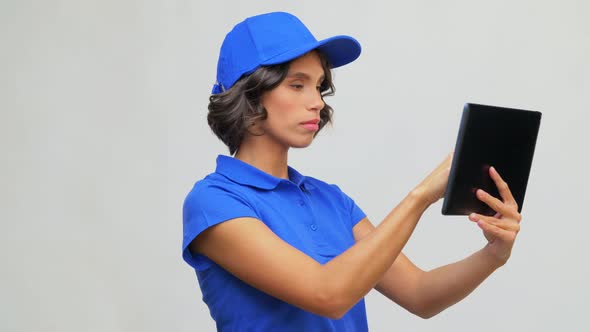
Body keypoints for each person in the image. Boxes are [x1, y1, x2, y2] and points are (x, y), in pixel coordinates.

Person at [182, 11, 522, 332]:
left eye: (319, 86)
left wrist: (494, 254)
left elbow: (420, 293)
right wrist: (421, 197)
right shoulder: (215, 201)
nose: (317, 101)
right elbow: (327, 294)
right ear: (250, 94)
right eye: (297, 85)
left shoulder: (332, 201)